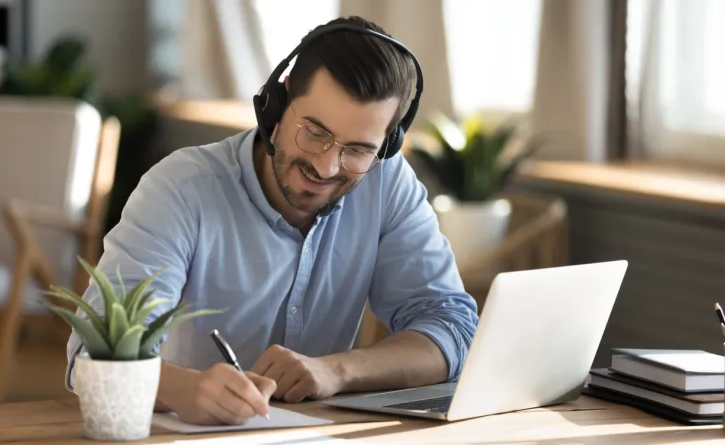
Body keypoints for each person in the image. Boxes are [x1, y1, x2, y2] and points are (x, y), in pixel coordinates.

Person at [65, 15, 479, 426]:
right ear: (275, 105)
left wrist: (334, 371)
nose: (327, 165)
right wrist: (183, 388)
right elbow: (93, 356)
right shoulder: (181, 188)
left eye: (357, 149)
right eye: (315, 132)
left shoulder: (385, 182)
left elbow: (451, 327)